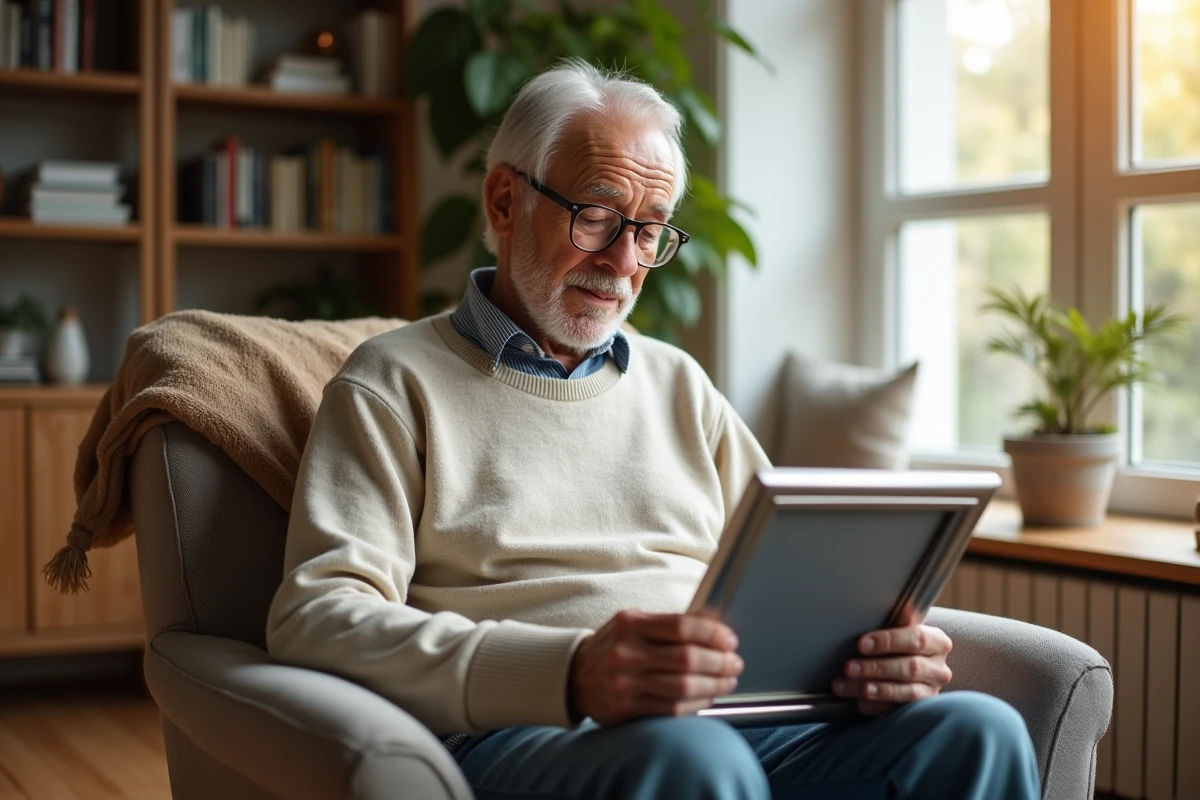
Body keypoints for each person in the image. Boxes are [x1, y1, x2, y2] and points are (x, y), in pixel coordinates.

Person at [266, 60, 1039, 799]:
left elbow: (791, 573)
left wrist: (875, 650)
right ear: (504, 202)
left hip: (727, 719)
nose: (623, 263)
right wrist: (570, 672)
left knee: (978, 730)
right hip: (530, 731)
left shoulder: (678, 384)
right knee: (692, 758)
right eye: (597, 216)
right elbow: (317, 619)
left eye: (650, 232)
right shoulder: (392, 383)